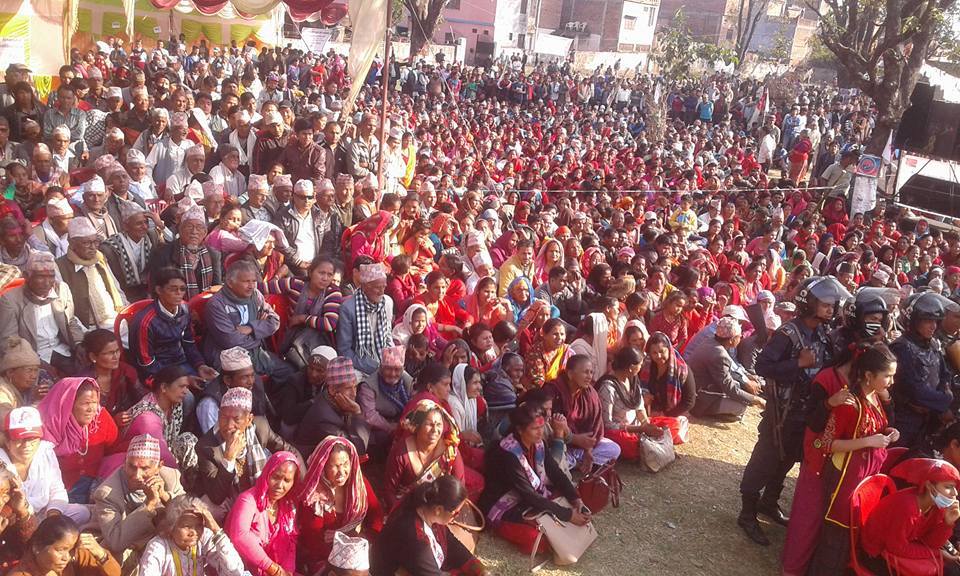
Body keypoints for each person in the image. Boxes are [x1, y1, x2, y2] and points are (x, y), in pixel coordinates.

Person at [738, 276, 849, 546]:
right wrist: (797, 364)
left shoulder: (823, 333)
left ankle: (769, 502)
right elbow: (763, 366)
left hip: (806, 411)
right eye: (825, 303)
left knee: (788, 459)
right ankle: (747, 514)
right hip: (782, 413)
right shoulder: (788, 333)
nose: (830, 308)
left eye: (832, 304)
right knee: (765, 460)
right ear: (809, 302)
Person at [806, 343, 899, 573]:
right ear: (869, 375)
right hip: (843, 479)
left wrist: (888, 433)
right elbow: (828, 444)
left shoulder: (875, 398)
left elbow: (874, 429)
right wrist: (869, 441)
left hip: (863, 478)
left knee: (849, 538)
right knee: (835, 538)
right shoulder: (849, 403)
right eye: (887, 376)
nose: (891, 382)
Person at [479, 402, 588, 554]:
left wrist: (576, 500)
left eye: (542, 427)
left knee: (568, 500)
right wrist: (568, 515)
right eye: (535, 428)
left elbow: (555, 472)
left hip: (528, 496)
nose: (540, 432)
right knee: (539, 538)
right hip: (506, 503)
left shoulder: (538, 444)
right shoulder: (509, 454)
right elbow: (528, 494)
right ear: (520, 429)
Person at [195, 387, 299, 515]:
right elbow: (216, 497)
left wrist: (305, 484)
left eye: (236, 419)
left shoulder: (260, 427)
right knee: (208, 507)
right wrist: (229, 458)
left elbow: (290, 452)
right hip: (231, 498)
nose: (229, 425)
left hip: (261, 492)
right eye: (224, 417)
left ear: (249, 419)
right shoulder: (206, 447)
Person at [297, 437, 384, 575]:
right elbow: (312, 540)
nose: (342, 472)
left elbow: (376, 517)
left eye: (345, 464)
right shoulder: (314, 497)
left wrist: (364, 540)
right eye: (335, 466)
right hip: (325, 558)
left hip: (358, 554)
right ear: (323, 466)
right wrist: (343, 557)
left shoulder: (359, 485)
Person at [93, 433, 186, 562]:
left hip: (159, 541)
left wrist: (165, 497)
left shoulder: (171, 477)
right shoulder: (107, 493)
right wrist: (149, 505)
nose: (137, 475)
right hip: (129, 545)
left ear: (159, 466)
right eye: (132, 467)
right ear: (125, 463)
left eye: (144, 468)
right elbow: (115, 541)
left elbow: (187, 517)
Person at [371, 475, 486, 576]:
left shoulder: (429, 511)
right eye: (455, 513)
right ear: (439, 510)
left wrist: (481, 571)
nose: (457, 515)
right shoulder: (414, 536)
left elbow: (452, 544)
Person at [862, 458, 960, 575]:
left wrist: (947, 524)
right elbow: (896, 548)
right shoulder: (907, 507)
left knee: (951, 569)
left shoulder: (937, 506)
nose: (955, 493)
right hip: (876, 554)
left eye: (954, 487)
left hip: (901, 546)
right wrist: (938, 553)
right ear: (929, 486)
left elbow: (930, 543)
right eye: (948, 487)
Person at [0, 405, 91, 523]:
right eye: (19, 439)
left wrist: (52, 516)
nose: (27, 445)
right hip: (15, 518)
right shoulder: (2, 462)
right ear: (7, 441)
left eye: (32, 438)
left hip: (44, 514)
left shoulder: (45, 452)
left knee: (81, 512)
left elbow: (57, 490)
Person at [100, 365, 194, 476]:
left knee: (189, 440)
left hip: (159, 453)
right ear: (164, 387)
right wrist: (177, 477)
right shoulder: (148, 418)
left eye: (187, 387)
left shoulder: (175, 406)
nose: (185, 391)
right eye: (181, 386)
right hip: (132, 461)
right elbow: (161, 451)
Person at [36, 377, 118, 503]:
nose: (92, 409)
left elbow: (113, 447)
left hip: (94, 485)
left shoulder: (101, 419)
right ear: (67, 404)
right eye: (86, 403)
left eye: (95, 402)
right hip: (59, 491)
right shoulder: (49, 425)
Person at [128, 267, 218, 381]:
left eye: (182, 289)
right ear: (159, 290)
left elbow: (189, 343)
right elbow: (147, 364)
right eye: (173, 289)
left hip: (182, 363)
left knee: (213, 382)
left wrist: (200, 365)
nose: (179, 293)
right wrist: (182, 379)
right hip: (157, 372)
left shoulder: (184, 309)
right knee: (189, 393)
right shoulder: (144, 322)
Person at [383, 399, 474, 511]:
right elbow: (389, 491)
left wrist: (446, 515)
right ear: (418, 426)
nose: (435, 430)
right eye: (429, 424)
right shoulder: (401, 452)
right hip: (408, 510)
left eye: (439, 424)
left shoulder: (449, 452)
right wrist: (401, 514)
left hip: (440, 512)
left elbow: (459, 489)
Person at [891, 292, 954, 450]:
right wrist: (945, 400)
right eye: (927, 321)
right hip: (905, 419)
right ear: (913, 321)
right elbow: (914, 389)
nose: (933, 326)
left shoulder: (933, 344)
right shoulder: (902, 347)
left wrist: (945, 392)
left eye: (935, 321)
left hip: (930, 419)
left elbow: (945, 374)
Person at [225, 451, 301, 576]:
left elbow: (291, 543)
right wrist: (273, 569)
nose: (280, 485)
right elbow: (240, 536)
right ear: (267, 474)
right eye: (275, 477)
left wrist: (287, 572)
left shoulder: (288, 508)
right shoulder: (248, 500)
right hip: (241, 571)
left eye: (287, 480)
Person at [542, 354, 621, 471]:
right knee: (550, 457)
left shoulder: (590, 393)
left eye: (591, 372)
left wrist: (588, 449)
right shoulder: (553, 391)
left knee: (614, 449)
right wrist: (573, 438)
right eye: (585, 372)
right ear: (570, 374)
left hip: (581, 447)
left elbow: (595, 427)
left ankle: (572, 462)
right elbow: (547, 426)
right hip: (558, 444)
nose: (589, 377)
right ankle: (570, 462)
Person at [139, 495, 245, 576]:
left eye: (198, 526)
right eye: (186, 526)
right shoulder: (158, 546)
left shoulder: (203, 537)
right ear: (171, 527)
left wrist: (216, 530)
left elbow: (235, 572)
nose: (193, 532)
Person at [56, 217, 128, 331]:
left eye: (95, 242)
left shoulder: (100, 258)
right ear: (72, 243)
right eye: (86, 243)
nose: (93, 247)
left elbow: (116, 288)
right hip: (88, 329)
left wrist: (126, 312)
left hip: (115, 319)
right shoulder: (59, 267)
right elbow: (65, 309)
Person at [596, 346, 664, 460]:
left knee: (673, 425)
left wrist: (645, 423)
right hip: (619, 431)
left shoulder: (632, 378)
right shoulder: (608, 387)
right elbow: (607, 424)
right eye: (640, 365)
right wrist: (640, 429)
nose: (641, 367)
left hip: (637, 426)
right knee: (634, 447)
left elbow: (639, 406)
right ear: (631, 367)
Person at [689, 317, 764, 420]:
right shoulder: (719, 354)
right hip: (699, 397)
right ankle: (709, 412)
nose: (741, 338)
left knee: (739, 389)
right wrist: (755, 399)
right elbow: (728, 387)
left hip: (698, 388)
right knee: (740, 407)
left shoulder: (711, 342)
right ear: (732, 340)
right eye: (739, 336)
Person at [295, 357, 370, 456]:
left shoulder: (335, 400)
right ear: (332, 390)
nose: (354, 393)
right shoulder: (324, 420)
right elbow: (357, 450)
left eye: (355, 387)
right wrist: (357, 413)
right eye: (348, 388)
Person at [8, 515, 120, 576]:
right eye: (60, 550)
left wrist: (102, 555)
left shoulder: (76, 555)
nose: (67, 557)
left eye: (71, 550)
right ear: (37, 547)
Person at [337, 263, 394, 376]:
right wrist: (374, 367)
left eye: (384, 287)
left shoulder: (387, 302)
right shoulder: (348, 308)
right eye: (377, 287)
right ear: (364, 287)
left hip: (384, 362)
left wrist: (392, 359)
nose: (382, 292)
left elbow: (388, 337)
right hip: (359, 365)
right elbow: (344, 350)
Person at [284, 257, 343, 367]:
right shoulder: (296, 284)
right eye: (321, 273)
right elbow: (261, 288)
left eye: (330, 275)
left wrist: (302, 318)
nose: (325, 278)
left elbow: (329, 324)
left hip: (317, 342)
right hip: (291, 338)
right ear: (310, 272)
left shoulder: (332, 292)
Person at [358, 346, 414, 448]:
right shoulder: (368, 386)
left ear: (403, 369)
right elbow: (370, 416)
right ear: (381, 368)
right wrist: (392, 428)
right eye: (388, 369)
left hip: (402, 422)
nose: (393, 374)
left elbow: (414, 404)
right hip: (379, 428)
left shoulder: (408, 381)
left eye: (397, 369)